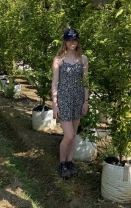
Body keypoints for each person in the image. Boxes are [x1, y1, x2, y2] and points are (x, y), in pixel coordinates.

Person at [52, 28, 89, 179]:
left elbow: (86, 82)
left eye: (74, 40)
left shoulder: (83, 59)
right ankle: (61, 163)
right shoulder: (58, 59)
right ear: (65, 42)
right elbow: (55, 83)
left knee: (74, 135)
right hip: (64, 99)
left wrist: (86, 101)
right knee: (68, 135)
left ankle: (69, 162)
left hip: (78, 99)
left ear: (77, 41)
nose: (71, 43)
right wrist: (55, 104)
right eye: (69, 40)